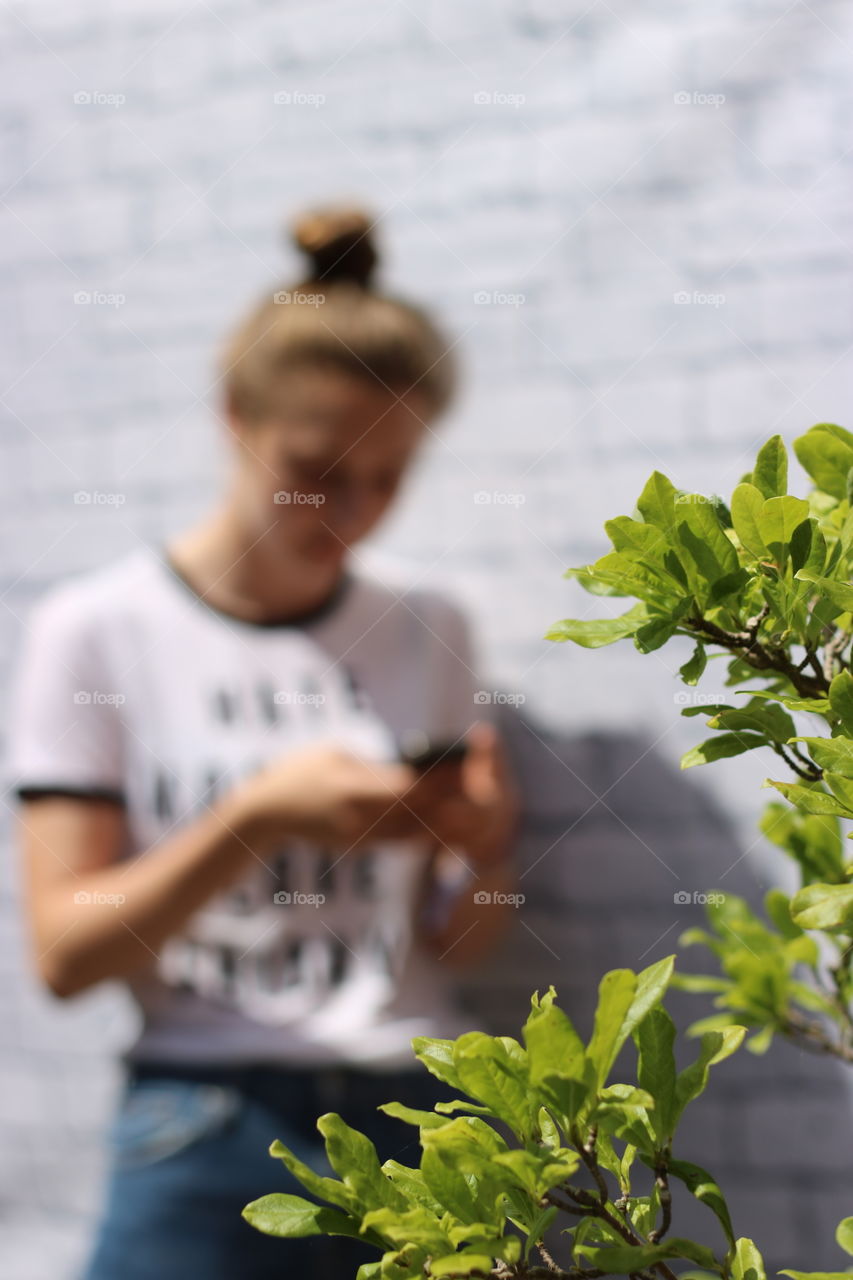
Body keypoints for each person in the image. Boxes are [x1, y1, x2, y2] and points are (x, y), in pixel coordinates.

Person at [5, 204, 520, 1280]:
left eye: (390, 477)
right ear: (236, 416)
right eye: (321, 469)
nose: (356, 509)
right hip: (204, 1118)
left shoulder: (429, 622)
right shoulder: (95, 631)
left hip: (416, 1118)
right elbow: (65, 952)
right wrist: (255, 816)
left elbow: (456, 939)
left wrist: (483, 844)